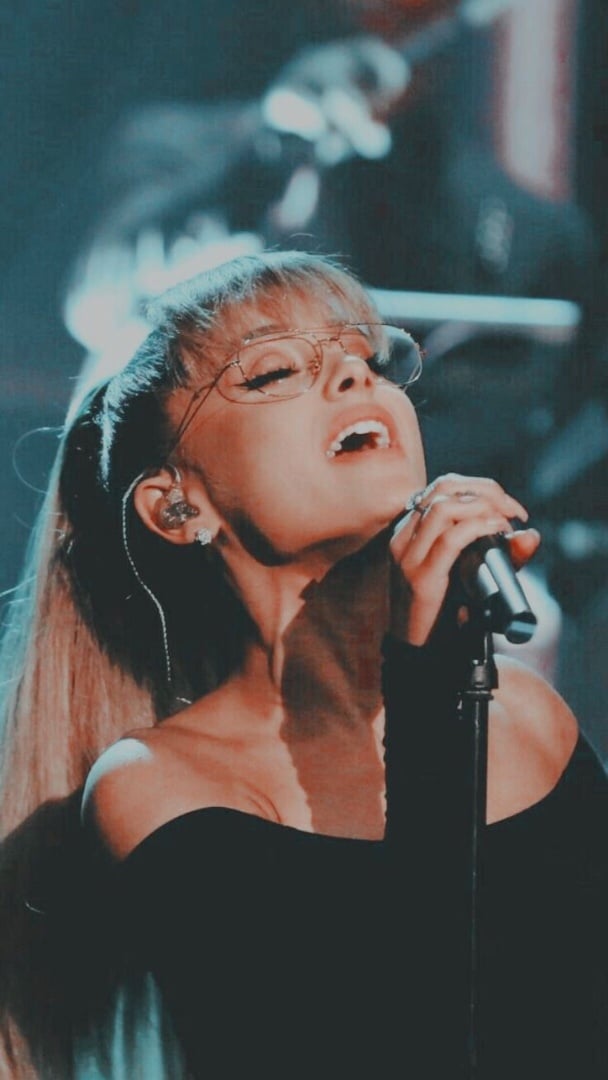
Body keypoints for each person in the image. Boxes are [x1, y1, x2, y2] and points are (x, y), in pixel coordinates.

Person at [0, 251, 607, 1078]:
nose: (356, 377)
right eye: (275, 371)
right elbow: (396, 1045)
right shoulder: (158, 786)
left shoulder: (525, 718)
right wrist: (426, 683)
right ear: (177, 506)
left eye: (366, 357)